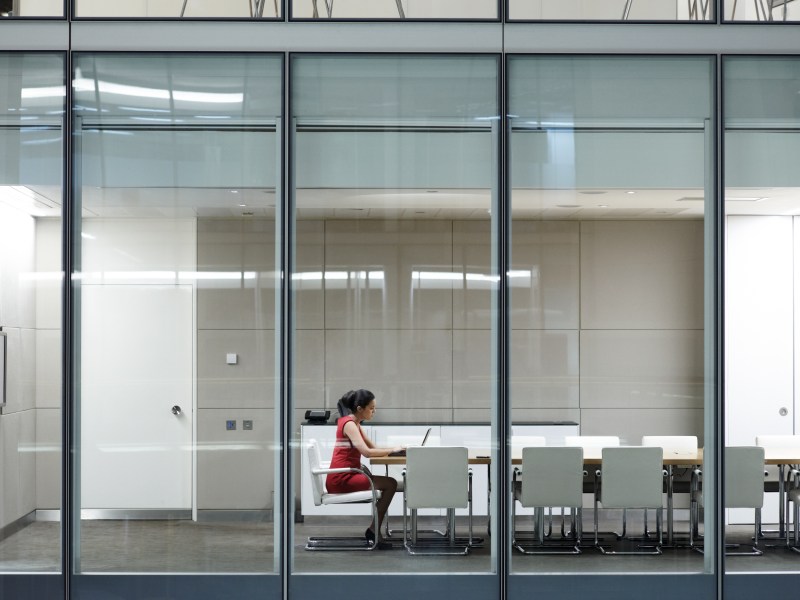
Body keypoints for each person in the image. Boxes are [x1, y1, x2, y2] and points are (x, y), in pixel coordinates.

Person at [327, 389, 403, 549]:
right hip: (342, 479)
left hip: (348, 473)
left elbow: (374, 447)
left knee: (390, 483)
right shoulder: (349, 425)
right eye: (371, 408)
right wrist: (392, 450)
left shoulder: (355, 423)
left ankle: (374, 529)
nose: (374, 412)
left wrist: (396, 448)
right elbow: (367, 453)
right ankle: (373, 530)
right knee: (390, 484)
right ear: (360, 409)